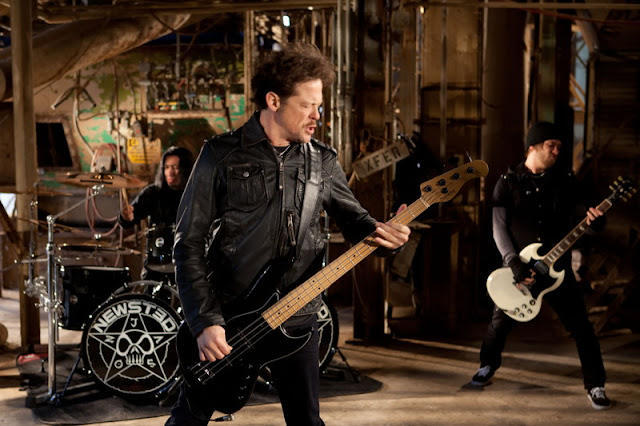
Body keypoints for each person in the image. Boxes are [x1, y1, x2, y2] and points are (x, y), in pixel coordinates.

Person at [166, 42, 411, 426]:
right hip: (230, 317)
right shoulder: (220, 154)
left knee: (306, 422)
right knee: (188, 420)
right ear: (273, 101)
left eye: (319, 106)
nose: (317, 116)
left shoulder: (323, 161)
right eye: (307, 105)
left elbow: (358, 226)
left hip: (297, 318)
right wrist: (204, 320)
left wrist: (387, 239)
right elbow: (188, 244)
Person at [471, 121, 611, 410]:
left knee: (582, 328)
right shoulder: (507, 182)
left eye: (559, 146)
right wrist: (513, 263)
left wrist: (596, 224)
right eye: (551, 146)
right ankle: (487, 365)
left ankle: (596, 385)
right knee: (499, 324)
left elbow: (581, 216)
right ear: (532, 147)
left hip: (557, 270)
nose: (557, 151)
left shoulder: (565, 181)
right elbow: (498, 228)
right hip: (518, 269)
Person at [118, 145, 194, 280]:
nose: (170, 172)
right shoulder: (153, 193)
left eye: (175, 167)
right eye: (166, 167)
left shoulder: (195, 194)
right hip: (157, 263)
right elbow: (129, 220)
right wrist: (126, 217)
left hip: (190, 263)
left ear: (186, 170)